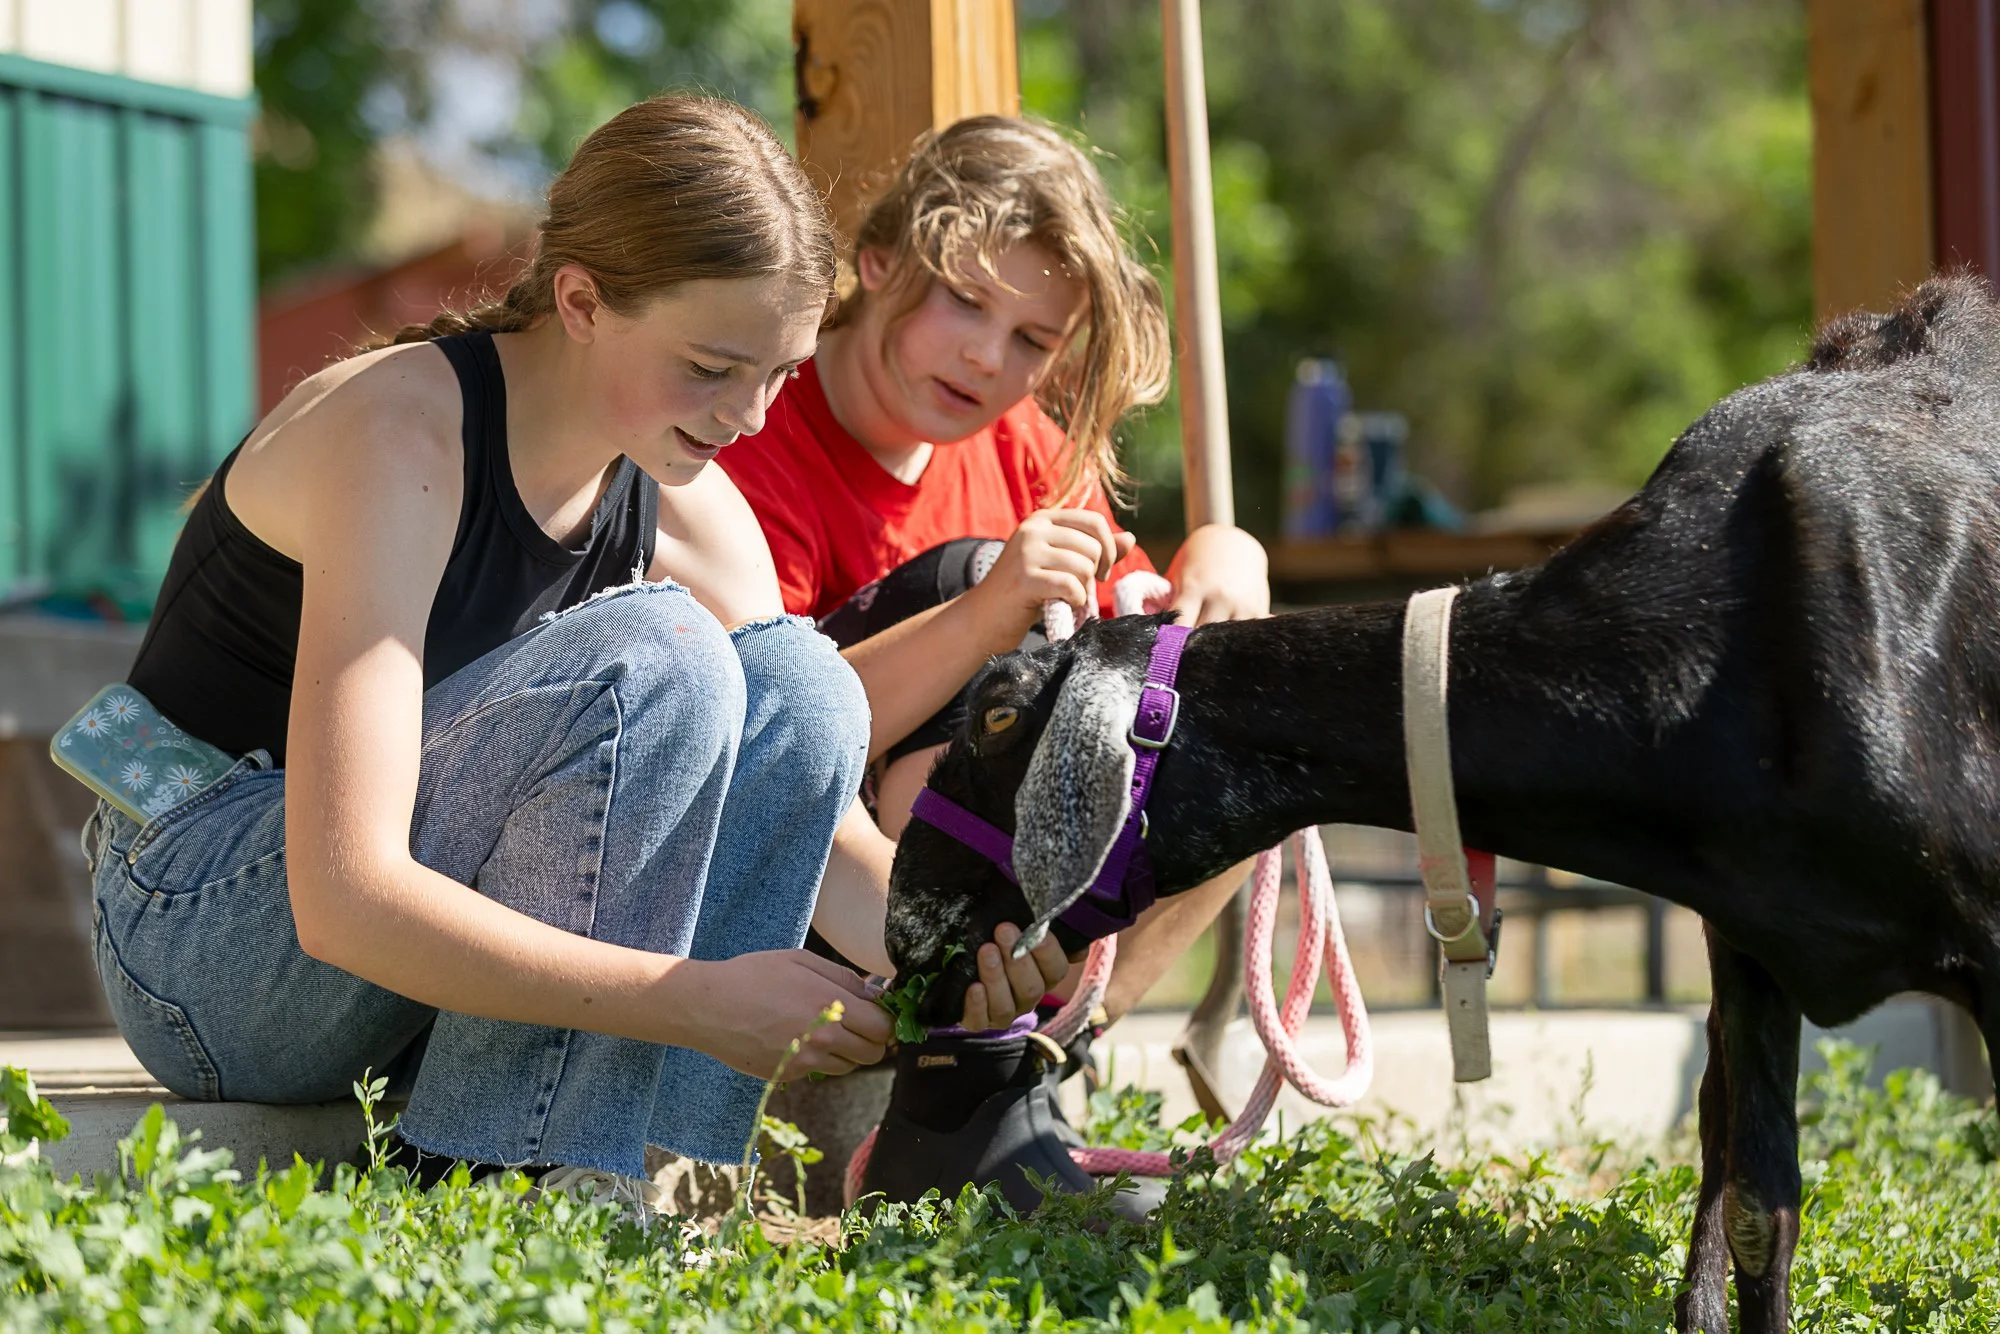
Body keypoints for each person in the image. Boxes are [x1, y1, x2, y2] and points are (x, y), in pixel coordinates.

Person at [80, 95, 1066, 1208]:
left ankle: (660, 1175)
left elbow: (811, 808)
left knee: (800, 686)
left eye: (779, 373)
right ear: (582, 300)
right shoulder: (398, 434)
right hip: (207, 946)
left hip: (393, 972)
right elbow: (343, 895)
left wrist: (976, 940)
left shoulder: (689, 505)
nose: (746, 415)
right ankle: (502, 1173)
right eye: (709, 365)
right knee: (661, 655)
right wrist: (690, 995)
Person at [718, 115, 1270, 1211]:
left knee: (1228, 732)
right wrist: (979, 611)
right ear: (877, 263)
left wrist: (1223, 562)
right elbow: (758, 738)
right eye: (965, 302)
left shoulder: (1015, 443)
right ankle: (965, 1080)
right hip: (795, 882)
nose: (987, 357)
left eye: (1031, 337)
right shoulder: (752, 433)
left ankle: (1039, 1057)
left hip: (968, 907)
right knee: (985, 624)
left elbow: (1129, 642)